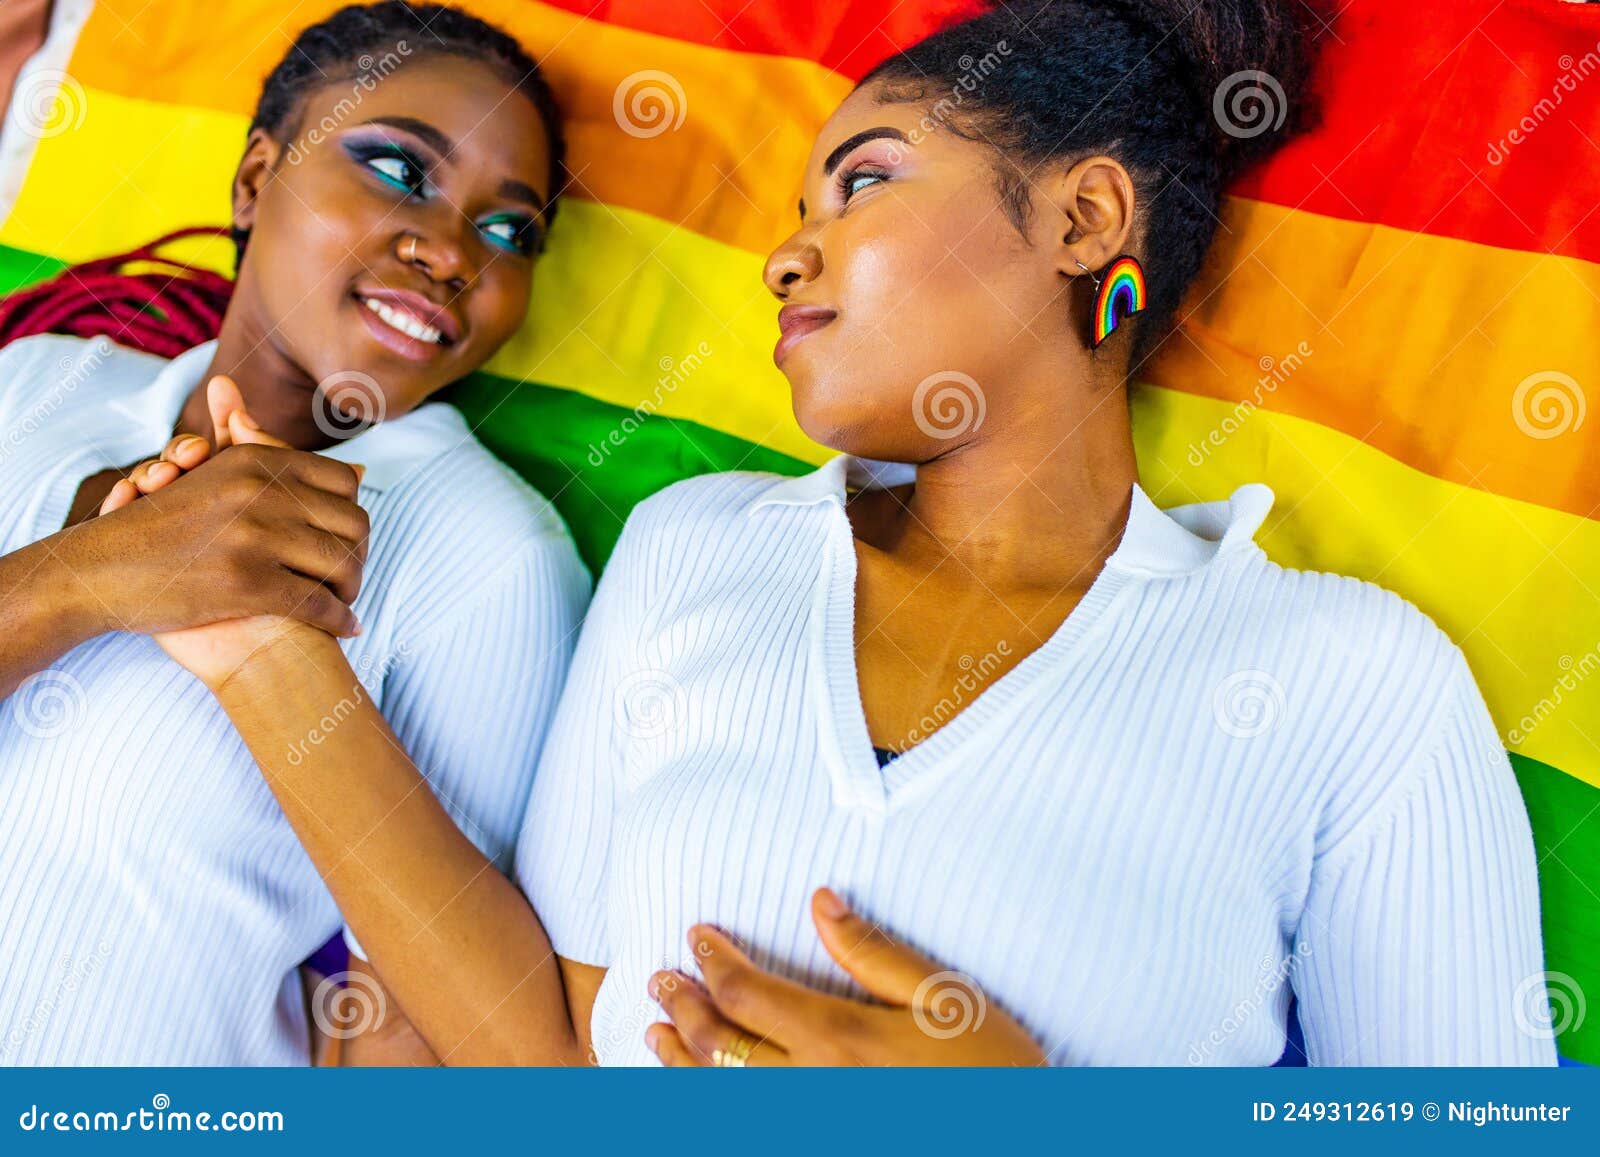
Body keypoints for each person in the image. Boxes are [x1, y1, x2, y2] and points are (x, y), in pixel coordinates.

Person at [130, 0, 1554, 1066]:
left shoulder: (1354, 678)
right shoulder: (697, 551)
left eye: (863, 184)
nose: (783, 255)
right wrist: (266, 653)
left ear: (1086, 216)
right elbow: (540, 1055)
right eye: (796, 210)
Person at [0, 2, 588, 1065]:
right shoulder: (42, 377)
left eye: (512, 231)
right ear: (255, 177)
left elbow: (419, 1036)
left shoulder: (489, 549)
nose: (453, 250)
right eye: (401, 170)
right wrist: (85, 578)